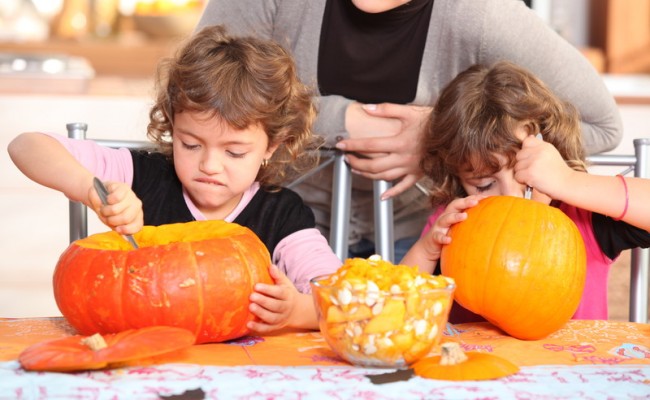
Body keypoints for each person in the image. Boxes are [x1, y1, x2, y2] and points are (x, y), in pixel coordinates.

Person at [195, 0, 624, 262]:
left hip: (423, 238)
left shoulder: (480, 14)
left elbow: (601, 124)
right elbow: (193, 100)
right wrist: (342, 119)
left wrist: (442, 134)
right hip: (276, 229)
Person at [7, 25, 342, 333]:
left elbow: (340, 300)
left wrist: (297, 311)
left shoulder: (282, 215)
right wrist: (92, 190)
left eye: (234, 152)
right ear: (172, 125)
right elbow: (26, 146)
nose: (209, 165)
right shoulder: (143, 176)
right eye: (191, 145)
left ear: (272, 146)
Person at [401, 61, 650, 322]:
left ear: (551, 154)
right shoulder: (454, 220)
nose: (511, 196)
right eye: (484, 185)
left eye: (528, 176)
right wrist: (427, 251)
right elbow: (398, 313)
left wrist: (568, 181)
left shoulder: (584, 215)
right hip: (471, 350)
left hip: (571, 351)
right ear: (456, 176)